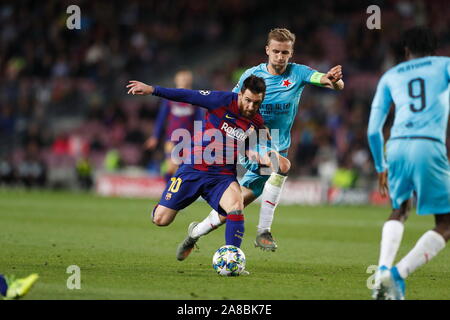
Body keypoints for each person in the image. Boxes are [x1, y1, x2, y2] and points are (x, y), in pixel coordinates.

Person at [178, 28, 344, 257]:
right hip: (254, 139)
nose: (280, 56)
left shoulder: (298, 73)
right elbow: (233, 104)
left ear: (291, 52)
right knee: (283, 166)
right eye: (275, 51)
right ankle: (264, 231)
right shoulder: (253, 77)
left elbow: (326, 80)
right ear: (267, 50)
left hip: (278, 144)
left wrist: (334, 81)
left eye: (285, 52)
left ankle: (195, 232)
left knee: (233, 207)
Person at [127, 75, 279, 265]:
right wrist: (153, 89)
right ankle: (161, 207)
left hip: (222, 175)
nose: (251, 107)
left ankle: (232, 259)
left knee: (236, 205)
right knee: (161, 220)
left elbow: (251, 146)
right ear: (240, 94)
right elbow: (187, 95)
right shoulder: (220, 100)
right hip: (193, 168)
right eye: (248, 100)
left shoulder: (256, 121)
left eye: (256, 103)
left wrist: (258, 155)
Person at [368, 27, 450, 300]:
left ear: (405, 51)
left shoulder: (390, 75)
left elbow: (372, 130)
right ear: (435, 48)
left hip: (397, 146)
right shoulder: (445, 65)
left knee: (399, 208)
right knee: (446, 222)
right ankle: (397, 274)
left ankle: (381, 270)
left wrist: (381, 166)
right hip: (428, 143)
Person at [144, 69, 203, 181]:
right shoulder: (170, 99)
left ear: (190, 81)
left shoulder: (195, 99)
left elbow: (199, 121)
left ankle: (174, 192)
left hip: (188, 140)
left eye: (186, 79)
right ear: (176, 80)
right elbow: (161, 118)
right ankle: (168, 191)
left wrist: (200, 139)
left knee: (182, 169)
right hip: (172, 139)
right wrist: (155, 136)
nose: (183, 81)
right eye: (181, 79)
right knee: (171, 166)